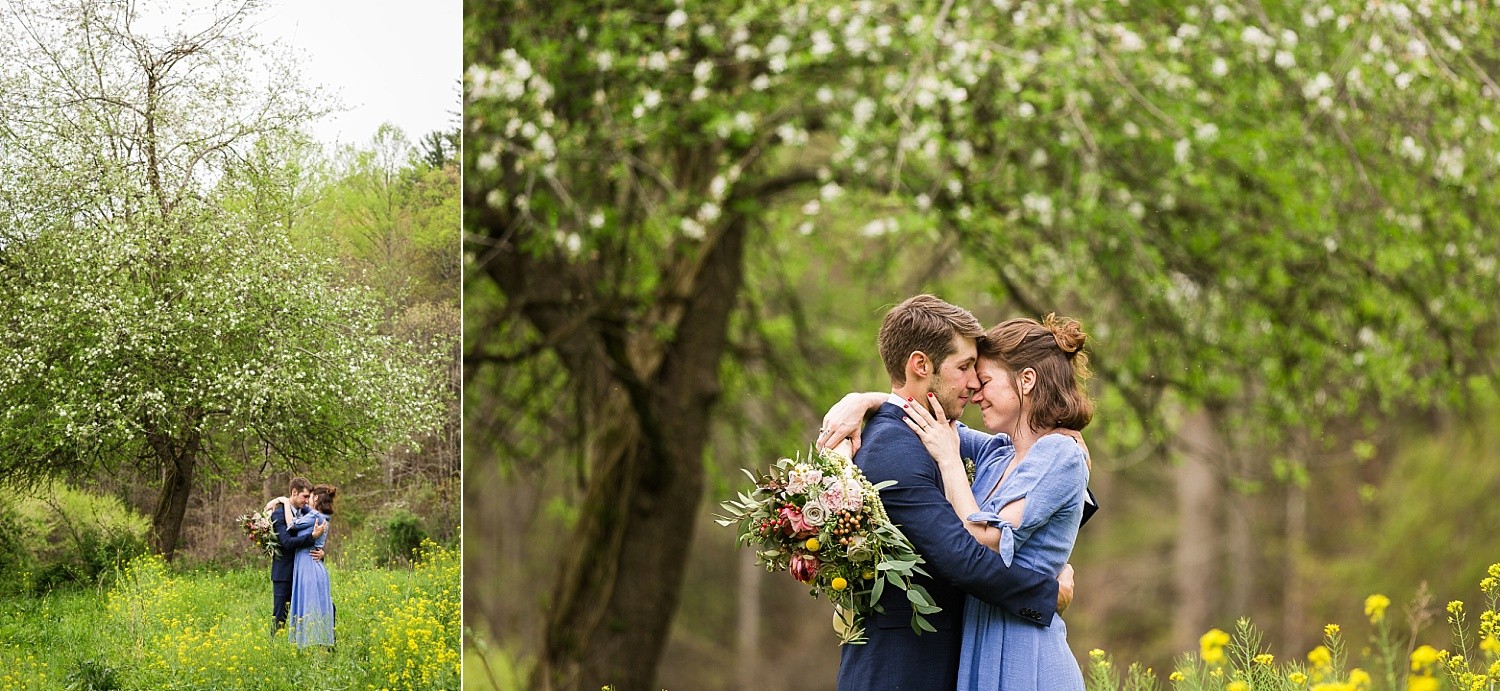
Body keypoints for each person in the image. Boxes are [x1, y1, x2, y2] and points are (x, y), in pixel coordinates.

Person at [823, 313, 1095, 690]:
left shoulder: (1057, 453)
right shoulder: (996, 453)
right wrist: (862, 400)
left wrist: (951, 461)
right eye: (967, 370)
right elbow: (918, 411)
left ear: (1027, 381)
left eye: (982, 378)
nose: (974, 390)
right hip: (965, 651)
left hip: (1020, 648)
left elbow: (983, 539)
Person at [276, 483, 337, 648]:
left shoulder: (315, 516)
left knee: (310, 604)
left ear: (315, 498)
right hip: (310, 563)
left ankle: (312, 644)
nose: (307, 499)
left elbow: (292, 525)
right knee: (316, 604)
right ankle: (318, 644)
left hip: (308, 565)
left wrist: (285, 502)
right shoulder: (320, 515)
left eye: (309, 496)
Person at [267, 477, 325, 637]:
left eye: (309, 497)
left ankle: (322, 645)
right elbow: (286, 542)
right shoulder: (279, 515)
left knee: (318, 609)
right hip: (285, 574)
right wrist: (312, 537)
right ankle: (274, 652)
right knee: (280, 616)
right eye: (304, 497)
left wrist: (321, 552)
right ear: (294, 493)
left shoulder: (305, 513)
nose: (307, 501)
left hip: (305, 572)